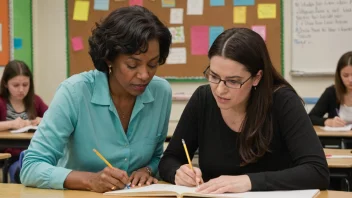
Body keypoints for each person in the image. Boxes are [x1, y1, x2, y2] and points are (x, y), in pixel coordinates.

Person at [20, 6, 172, 193]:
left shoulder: (161, 92)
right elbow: (31, 167)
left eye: (153, 64)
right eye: (132, 65)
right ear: (109, 59)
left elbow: (157, 157)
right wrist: (89, 180)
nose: (144, 75)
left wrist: (147, 170)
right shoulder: (75, 92)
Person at [159, 28, 329, 193]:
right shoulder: (203, 99)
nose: (219, 90)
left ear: (257, 78)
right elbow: (169, 159)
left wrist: (248, 181)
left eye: (233, 81)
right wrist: (178, 173)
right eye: (214, 76)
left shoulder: (282, 101)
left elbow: (317, 171)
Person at [0, 60, 48, 183]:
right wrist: (11, 124)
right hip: (9, 156)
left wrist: (41, 120)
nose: (21, 90)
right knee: (20, 172)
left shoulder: (35, 101)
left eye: (25, 85)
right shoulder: (1, 102)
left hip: (35, 153)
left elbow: (53, 118)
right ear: (5, 84)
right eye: (15, 85)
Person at [309, 51, 352, 127]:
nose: (350, 80)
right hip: (337, 138)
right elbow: (311, 117)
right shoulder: (331, 92)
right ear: (339, 75)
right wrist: (327, 122)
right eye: (345, 75)